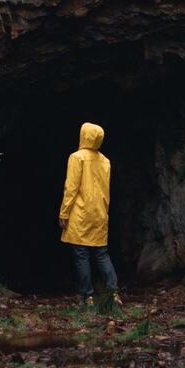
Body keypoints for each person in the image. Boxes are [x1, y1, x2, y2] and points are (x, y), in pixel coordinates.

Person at [58, 122, 122, 307]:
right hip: (100, 214)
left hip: (80, 214)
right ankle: (114, 292)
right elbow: (106, 191)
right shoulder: (105, 161)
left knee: (81, 254)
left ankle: (88, 297)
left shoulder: (77, 158)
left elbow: (71, 188)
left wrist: (64, 213)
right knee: (101, 253)